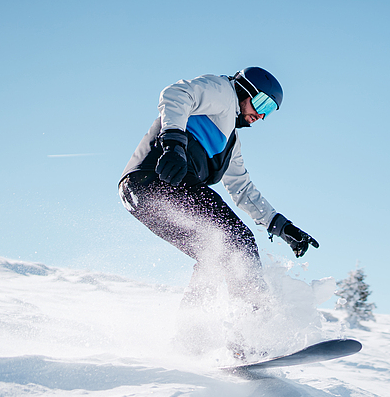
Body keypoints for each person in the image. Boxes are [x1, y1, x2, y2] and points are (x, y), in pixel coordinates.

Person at [119, 67, 318, 314]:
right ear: (247, 89)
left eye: (268, 111)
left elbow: (242, 188)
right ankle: (253, 326)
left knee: (214, 256)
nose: (262, 115)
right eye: (262, 103)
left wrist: (282, 227)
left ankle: (192, 333)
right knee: (238, 240)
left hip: (144, 195)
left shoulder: (230, 143)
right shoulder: (223, 92)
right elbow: (176, 93)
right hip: (157, 177)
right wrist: (173, 145)